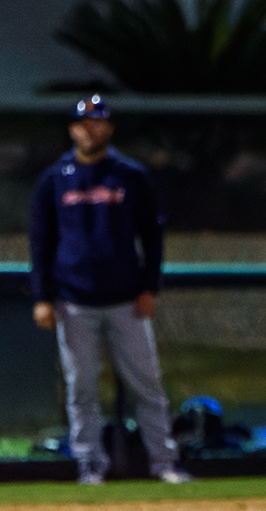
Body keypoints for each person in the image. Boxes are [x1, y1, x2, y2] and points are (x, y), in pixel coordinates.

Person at [29, 95, 192, 486]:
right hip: (74, 300)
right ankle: (90, 465)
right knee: (81, 387)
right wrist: (42, 297)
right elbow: (41, 242)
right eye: (84, 123)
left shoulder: (129, 175)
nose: (91, 129)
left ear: (109, 128)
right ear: (72, 129)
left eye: (98, 122)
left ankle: (163, 462)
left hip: (126, 299)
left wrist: (150, 286)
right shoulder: (56, 177)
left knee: (148, 385)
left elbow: (152, 235)